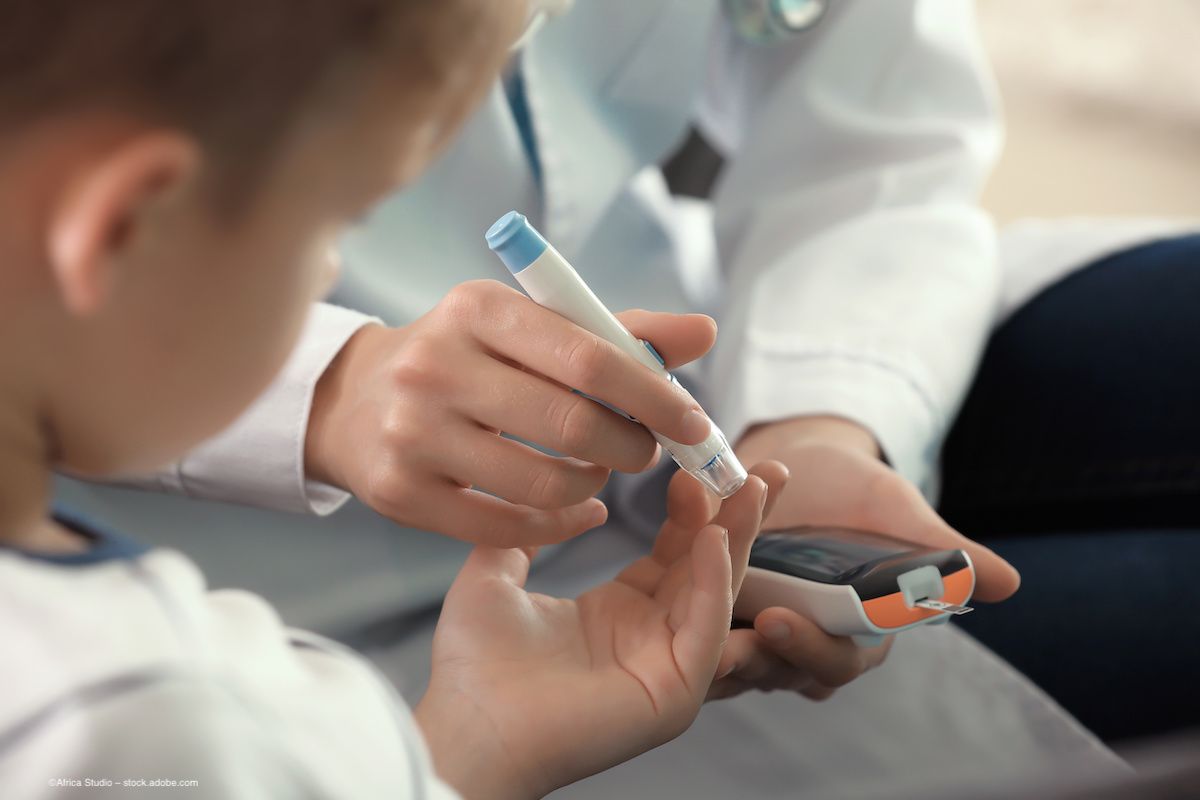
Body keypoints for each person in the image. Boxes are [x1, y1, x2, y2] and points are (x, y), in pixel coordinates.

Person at [55, 0, 1136, 795]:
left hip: (732, 360)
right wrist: (325, 386)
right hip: (356, 596)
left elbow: (877, 113)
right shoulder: (144, 721)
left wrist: (819, 413)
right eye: (346, 222)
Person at [0, 0, 789, 796]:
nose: (331, 273)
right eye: (340, 222)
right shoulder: (158, 723)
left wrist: (474, 743)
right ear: (128, 228)